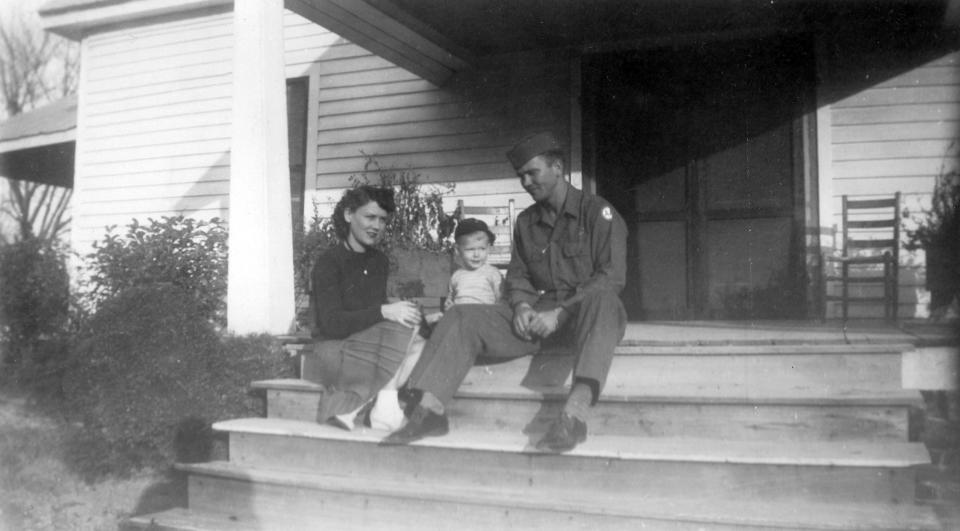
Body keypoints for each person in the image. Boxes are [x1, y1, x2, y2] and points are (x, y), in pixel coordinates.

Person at [383, 132, 628, 452]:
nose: (525, 182)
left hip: (585, 315)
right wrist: (524, 306)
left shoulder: (598, 212)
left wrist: (561, 312)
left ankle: (574, 416)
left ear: (557, 167)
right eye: (521, 175)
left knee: (605, 298)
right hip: (539, 318)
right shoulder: (527, 222)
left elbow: (611, 277)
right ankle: (431, 410)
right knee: (461, 314)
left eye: (532, 172)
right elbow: (519, 276)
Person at [308, 185, 424, 432]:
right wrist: (384, 312)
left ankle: (382, 400)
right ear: (349, 215)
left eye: (382, 220)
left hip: (364, 343)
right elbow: (331, 323)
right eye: (370, 217)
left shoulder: (378, 261)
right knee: (404, 329)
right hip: (332, 348)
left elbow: (372, 311)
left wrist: (399, 312)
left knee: (423, 339)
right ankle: (385, 403)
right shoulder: (329, 262)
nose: (377, 226)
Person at [424, 218, 503, 327]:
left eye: (482, 249)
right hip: (460, 321)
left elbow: (501, 303)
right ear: (457, 250)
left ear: (488, 248)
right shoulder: (457, 276)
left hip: (485, 321)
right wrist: (449, 305)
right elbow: (451, 298)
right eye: (470, 249)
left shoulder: (492, 273)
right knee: (436, 322)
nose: (476, 254)